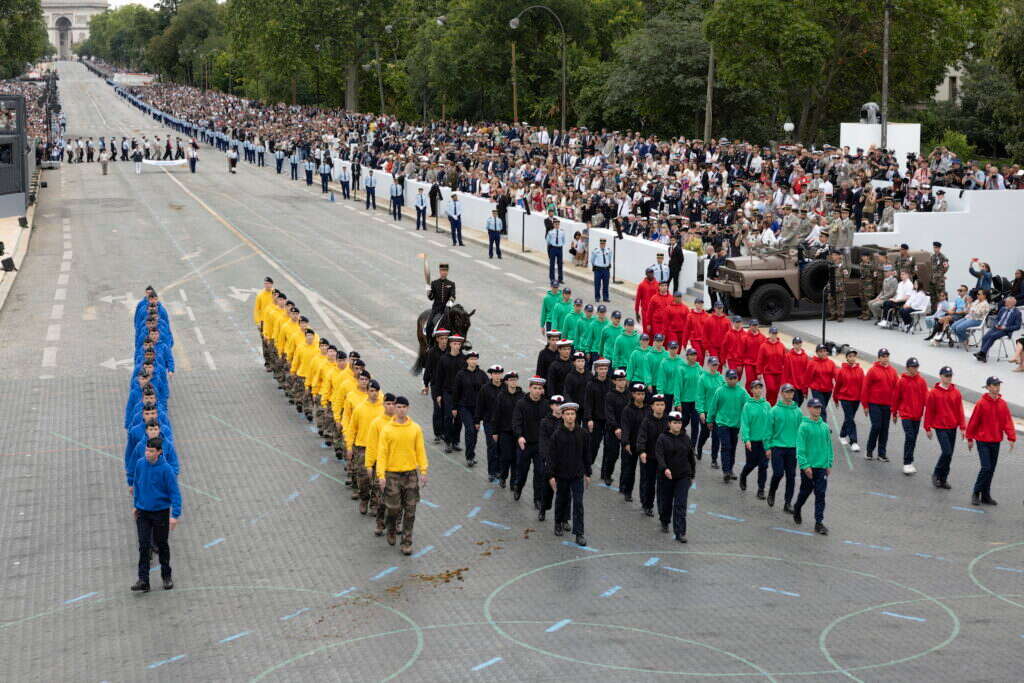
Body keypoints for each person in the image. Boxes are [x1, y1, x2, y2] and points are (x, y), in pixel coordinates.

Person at [376, 396, 429, 555]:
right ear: (395, 408)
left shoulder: (415, 428)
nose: (401, 410)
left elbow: (420, 450)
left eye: (404, 407)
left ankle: (406, 542)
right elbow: (382, 454)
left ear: (408, 408)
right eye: (398, 407)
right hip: (392, 474)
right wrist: (381, 475)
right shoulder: (387, 429)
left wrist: (423, 470)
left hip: (410, 475)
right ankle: (391, 528)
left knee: (410, 510)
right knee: (393, 508)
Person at [130, 437, 181, 592]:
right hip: (143, 512)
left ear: (159, 452)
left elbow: (175, 493)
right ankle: (143, 580)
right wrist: (135, 505)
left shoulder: (166, 470)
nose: (147, 453)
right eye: (147, 450)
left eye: (151, 451)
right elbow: (137, 485)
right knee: (144, 546)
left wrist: (175, 515)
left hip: (160, 512)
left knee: (162, 544)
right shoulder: (140, 464)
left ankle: (166, 576)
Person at [965, 376, 1015, 506]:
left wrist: (1011, 437)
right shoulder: (981, 403)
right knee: (986, 467)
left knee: (991, 469)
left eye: (998, 385)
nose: (997, 387)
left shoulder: (1002, 404)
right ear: (988, 387)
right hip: (982, 441)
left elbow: (1007, 422)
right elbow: (974, 422)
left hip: (996, 440)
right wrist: (969, 438)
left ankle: (986, 495)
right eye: (994, 385)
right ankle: (976, 492)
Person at [547, 402, 591, 546]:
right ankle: (558, 522)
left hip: (577, 475)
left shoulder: (583, 433)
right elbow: (551, 457)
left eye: (572, 414)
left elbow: (586, 454)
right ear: (563, 416)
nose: (570, 417)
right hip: (561, 475)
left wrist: (588, 473)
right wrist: (551, 476)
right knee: (561, 499)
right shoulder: (557, 435)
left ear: (575, 415)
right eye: (567, 414)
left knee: (578, 503)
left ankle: (579, 533)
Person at [792, 398, 833, 535]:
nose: (818, 410)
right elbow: (800, 448)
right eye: (815, 407)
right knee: (805, 491)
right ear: (809, 408)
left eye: (819, 407)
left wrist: (829, 463)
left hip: (821, 467)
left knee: (820, 494)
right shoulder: (803, 427)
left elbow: (829, 446)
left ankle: (818, 522)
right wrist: (805, 466)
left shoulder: (825, 427)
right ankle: (797, 507)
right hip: (808, 467)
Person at [655, 411, 697, 542]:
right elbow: (659, 456)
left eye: (679, 423)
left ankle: (680, 532)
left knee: (680, 504)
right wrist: (665, 469)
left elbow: (691, 458)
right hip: (666, 476)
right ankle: (664, 520)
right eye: (675, 423)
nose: (677, 425)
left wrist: (692, 474)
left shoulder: (686, 438)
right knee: (666, 502)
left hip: (683, 476)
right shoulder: (662, 438)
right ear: (669, 424)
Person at [923, 366, 966, 489]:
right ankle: (936, 473)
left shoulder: (956, 393)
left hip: (952, 427)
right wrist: (927, 428)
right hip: (940, 427)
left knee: (949, 454)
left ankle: (943, 479)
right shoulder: (934, 393)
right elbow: (929, 411)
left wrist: (962, 427)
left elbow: (960, 411)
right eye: (946, 376)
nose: (949, 378)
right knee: (946, 452)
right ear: (941, 376)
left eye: (950, 376)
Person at [706, 369, 750, 483]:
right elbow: (713, 406)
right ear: (726, 379)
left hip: (735, 424)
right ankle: (726, 471)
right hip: (722, 423)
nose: (732, 380)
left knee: (733, 447)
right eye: (730, 378)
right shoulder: (720, 391)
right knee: (726, 446)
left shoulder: (741, 391)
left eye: (734, 378)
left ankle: (730, 469)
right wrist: (709, 420)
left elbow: (749, 404)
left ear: (737, 379)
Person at [766, 384, 801, 512]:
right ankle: (772, 491)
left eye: (791, 392)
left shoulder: (798, 411)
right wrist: (767, 447)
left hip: (792, 448)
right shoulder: (774, 411)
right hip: (777, 447)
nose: (789, 394)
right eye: (787, 392)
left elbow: (801, 430)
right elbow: (768, 430)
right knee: (778, 473)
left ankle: (788, 503)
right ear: (782, 393)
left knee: (791, 476)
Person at [861, 348, 898, 462]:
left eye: (887, 356)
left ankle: (882, 454)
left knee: (884, 429)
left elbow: (897, 389)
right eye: (883, 356)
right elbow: (865, 388)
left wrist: (895, 408)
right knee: (876, 426)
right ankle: (869, 451)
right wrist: (865, 405)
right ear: (879, 358)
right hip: (874, 404)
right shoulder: (872, 371)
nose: (885, 358)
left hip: (887, 405)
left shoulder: (893, 371)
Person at [636, 394, 670, 517]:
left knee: (663, 485)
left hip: (663, 459)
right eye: (657, 405)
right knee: (649, 483)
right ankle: (647, 505)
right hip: (649, 457)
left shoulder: (668, 421)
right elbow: (641, 437)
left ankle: (662, 510)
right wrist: (642, 451)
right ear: (652, 406)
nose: (660, 407)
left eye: (662, 405)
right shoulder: (647, 421)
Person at [892, 357, 928, 475]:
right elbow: (896, 398)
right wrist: (894, 413)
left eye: (916, 367)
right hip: (905, 414)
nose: (915, 369)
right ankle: (906, 463)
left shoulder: (922, 381)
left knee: (913, 439)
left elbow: (926, 398)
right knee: (910, 437)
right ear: (907, 368)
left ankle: (910, 460)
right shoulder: (902, 381)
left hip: (917, 415)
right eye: (913, 367)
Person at [739, 379, 772, 499]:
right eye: (755, 388)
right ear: (751, 390)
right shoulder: (747, 406)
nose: (758, 390)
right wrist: (746, 439)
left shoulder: (767, 405)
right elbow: (745, 424)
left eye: (760, 388)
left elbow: (770, 424)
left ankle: (761, 489)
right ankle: (743, 475)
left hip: (764, 442)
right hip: (752, 441)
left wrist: (771, 442)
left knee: (763, 466)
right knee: (751, 464)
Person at [453, 350, 487, 467]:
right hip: (464, 407)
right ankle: (469, 457)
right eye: (471, 359)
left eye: (475, 359)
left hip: (477, 409)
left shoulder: (482, 374)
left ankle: (471, 453)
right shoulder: (461, 374)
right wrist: (454, 407)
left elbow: (488, 389)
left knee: (475, 432)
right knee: (470, 430)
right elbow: (456, 392)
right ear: (467, 360)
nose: (473, 361)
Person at [618, 381, 649, 502]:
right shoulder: (627, 410)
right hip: (631, 445)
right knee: (629, 470)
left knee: (645, 474)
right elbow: (625, 427)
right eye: (638, 394)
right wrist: (626, 443)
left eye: (642, 394)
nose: (641, 396)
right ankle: (627, 492)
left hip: (644, 446)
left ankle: (644, 499)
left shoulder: (648, 409)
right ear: (633, 395)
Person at [536, 394, 564, 522]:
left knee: (565, 491)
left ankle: (564, 518)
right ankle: (543, 510)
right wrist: (546, 459)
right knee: (547, 488)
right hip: (550, 460)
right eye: (557, 405)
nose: (559, 407)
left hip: (564, 460)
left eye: (561, 405)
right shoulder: (545, 422)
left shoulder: (566, 422)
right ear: (552, 406)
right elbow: (543, 442)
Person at [833, 349, 864, 452]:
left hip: (856, 399)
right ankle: (853, 442)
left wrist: (864, 401)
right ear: (847, 358)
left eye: (853, 356)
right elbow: (838, 385)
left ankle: (842, 435)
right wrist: (835, 398)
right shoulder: (842, 370)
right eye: (850, 356)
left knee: (849, 418)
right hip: (845, 398)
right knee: (850, 418)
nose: (852, 358)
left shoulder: (860, 370)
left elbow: (863, 386)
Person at [696, 357, 725, 466]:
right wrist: (701, 412)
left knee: (716, 436)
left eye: (716, 365)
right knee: (705, 433)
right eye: (713, 365)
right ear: (708, 365)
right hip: (706, 411)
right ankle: (699, 448)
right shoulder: (702, 378)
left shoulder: (721, 378)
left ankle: (714, 460)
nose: (715, 367)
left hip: (717, 413)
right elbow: (699, 396)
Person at [974, 297, 1020, 362]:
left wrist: (1005, 328)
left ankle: (982, 353)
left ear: (1013, 304)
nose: (1005, 304)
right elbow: (997, 319)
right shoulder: (1003, 309)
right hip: (996, 327)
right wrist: (996, 324)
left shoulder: (1017, 313)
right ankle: (983, 354)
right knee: (985, 337)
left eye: (1007, 303)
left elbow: (1017, 326)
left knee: (992, 336)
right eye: (1006, 302)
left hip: (1005, 330)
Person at [806, 344, 837, 420]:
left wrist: (840, 387)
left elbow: (836, 376)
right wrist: (804, 390)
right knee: (822, 409)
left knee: (820, 409)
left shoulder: (831, 363)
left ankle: (815, 421)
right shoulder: (812, 363)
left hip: (828, 390)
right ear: (817, 353)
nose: (823, 353)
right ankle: (824, 426)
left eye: (824, 351)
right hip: (817, 390)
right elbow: (807, 378)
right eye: (820, 351)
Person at [426, 263, 456, 336]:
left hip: (447, 310)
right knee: (429, 325)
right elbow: (431, 298)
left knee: (456, 325)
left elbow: (453, 297)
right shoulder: (434, 283)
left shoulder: (451, 284)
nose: (444, 272)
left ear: (447, 272)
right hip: (436, 309)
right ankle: (429, 342)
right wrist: (429, 293)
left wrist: (448, 306)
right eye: (442, 270)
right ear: (440, 271)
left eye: (446, 271)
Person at [590, 237, 612, 302]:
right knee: (597, 284)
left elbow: (609, 258)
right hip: (598, 270)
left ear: (605, 244)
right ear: (600, 243)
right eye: (601, 243)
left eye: (603, 243)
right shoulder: (596, 251)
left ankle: (605, 297)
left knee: (606, 284)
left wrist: (608, 264)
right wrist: (595, 265)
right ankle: (597, 297)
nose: (602, 245)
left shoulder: (608, 250)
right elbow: (592, 260)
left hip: (606, 270)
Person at [546, 217, 566, 284]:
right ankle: (552, 278)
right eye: (556, 224)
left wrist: (560, 245)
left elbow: (563, 240)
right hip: (553, 248)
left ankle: (560, 279)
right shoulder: (550, 232)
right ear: (553, 225)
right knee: (552, 264)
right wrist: (552, 245)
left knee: (560, 264)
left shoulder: (562, 232)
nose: (557, 225)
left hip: (559, 248)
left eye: (558, 224)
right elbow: (548, 241)